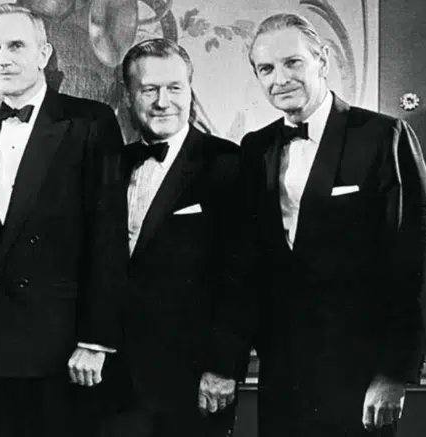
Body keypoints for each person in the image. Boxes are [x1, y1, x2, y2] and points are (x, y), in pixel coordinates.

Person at [238, 13, 426, 436]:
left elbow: (412, 259)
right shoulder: (255, 148)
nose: (280, 79)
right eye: (266, 69)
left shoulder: (384, 136)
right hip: (282, 372)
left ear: (322, 59)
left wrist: (394, 373)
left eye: (293, 62)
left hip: (361, 373)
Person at [0, 4, 129, 436]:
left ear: (44, 53)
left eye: (16, 45)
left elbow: (108, 238)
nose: (2, 58)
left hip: (64, 352)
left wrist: (95, 341)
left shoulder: (89, 122)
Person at [99, 38, 244, 437]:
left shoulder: (227, 163)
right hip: (117, 381)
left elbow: (242, 275)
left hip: (194, 380)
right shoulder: (112, 164)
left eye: (175, 88)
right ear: (129, 97)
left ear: (190, 91)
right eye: (149, 89)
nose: (163, 102)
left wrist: (223, 367)